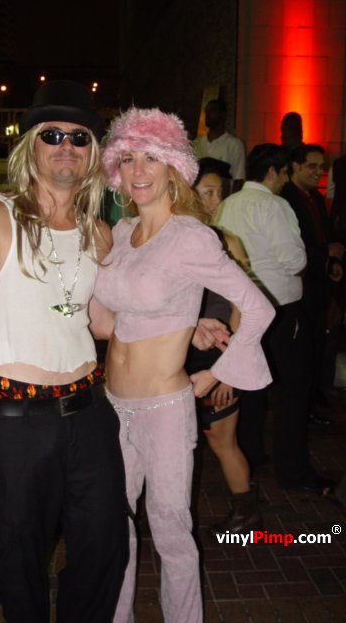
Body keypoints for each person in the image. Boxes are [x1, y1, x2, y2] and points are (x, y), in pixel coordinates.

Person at [0, 80, 129, 623]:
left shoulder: (98, 233)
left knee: (106, 550)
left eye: (79, 137)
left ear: (93, 153)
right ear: (29, 146)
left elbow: (100, 322)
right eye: (51, 135)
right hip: (16, 421)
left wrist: (185, 322)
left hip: (89, 415)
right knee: (13, 559)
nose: (66, 146)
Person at [95, 108, 275, 623]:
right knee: (114, 527)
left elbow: (259, 308)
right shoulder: (122, 232)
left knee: (171, 530)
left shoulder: (191, 236)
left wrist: (220, 371)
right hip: (112, 405)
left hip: (164, 409)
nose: (138, 170)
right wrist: (188, 321)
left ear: (174, 167)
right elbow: (108, 322)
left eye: (151, 157)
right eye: (128, 158)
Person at [217, 143, 333, 492]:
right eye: (284, 173)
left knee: (253, 388)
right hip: (280, 310)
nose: (285, 180)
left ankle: (251, 456)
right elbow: (295, 260)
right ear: (272, 172)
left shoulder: (229, 203)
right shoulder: (274, 204)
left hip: (242, 311)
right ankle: (293, 471)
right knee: (292, 393)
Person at [187, 157, 261, 535]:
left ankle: (247, 515)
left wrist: (229, 371)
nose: (215, 200)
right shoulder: (169, 237)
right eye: (207, 192)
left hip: (215, 355)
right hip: (174, 357)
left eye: (218, 192)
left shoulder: (225, 241)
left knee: (222, 442)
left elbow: (244, 311)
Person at [281, 144, 343, 422]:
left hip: (318, 284)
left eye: (321, 167)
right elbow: (292, 246)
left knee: (320, 342)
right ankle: (302, 405)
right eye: (312, 166)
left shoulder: (315, 198)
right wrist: (324, 254)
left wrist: (333, 262)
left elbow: (323, 237)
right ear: (295, 166)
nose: (319, 172)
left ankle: (314, 398)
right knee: (301, 351)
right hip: (297, 286)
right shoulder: (286, 199)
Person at [193, 98, 246, 193]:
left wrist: (232, 200)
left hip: (223, 196)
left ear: (223, 115)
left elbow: (238, 178)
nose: (208, 114)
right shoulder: (197, 143)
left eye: (212, 111)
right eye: (206, 111)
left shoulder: (234, 144)